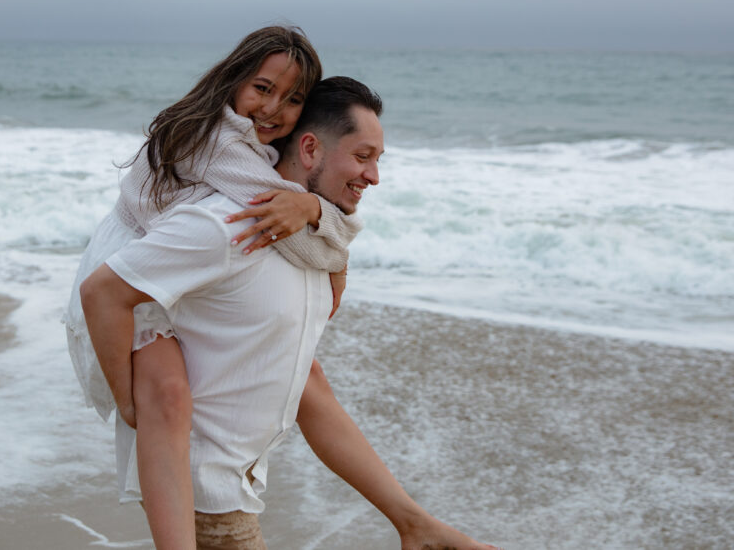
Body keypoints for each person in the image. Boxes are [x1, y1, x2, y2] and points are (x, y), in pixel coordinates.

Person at [82, 78, 500, 549]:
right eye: (363, 157)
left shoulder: (314, 246)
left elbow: (306, 382)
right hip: (200, 496)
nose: (374, 176)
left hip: (239, 487)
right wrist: (128, 400)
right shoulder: (228, 226)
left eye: (379, 160)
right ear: (308, 148)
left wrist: (409, 520)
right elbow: (102, 291)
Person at [63, 27, 363, 545]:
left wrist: (313, 212)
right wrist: (322, 220)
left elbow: (290, 213)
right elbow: (284, 223)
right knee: (165, 402)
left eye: (293, 99)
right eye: (262, 88)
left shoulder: (251, 148)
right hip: (125, 272)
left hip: (157, 271)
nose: (274, 109)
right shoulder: (217, 142)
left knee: (175, 402)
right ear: (233, 81)